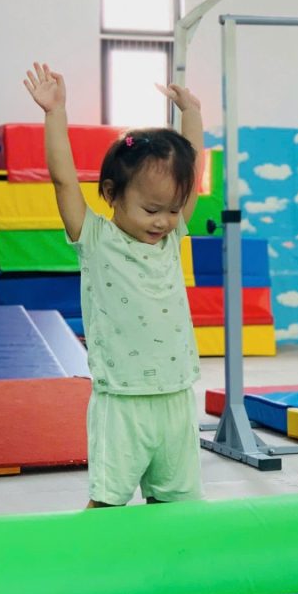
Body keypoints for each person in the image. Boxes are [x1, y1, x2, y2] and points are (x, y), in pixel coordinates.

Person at [24, 61, 205, 508]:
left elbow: (193, 173)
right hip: (121, 400)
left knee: (176, 506)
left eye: (172, 210)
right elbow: (63, 181)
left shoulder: (172, 237)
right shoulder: (95, 238)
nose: (163, 221)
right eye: (151, 210)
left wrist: (192, 115)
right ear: (110, 193)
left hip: (176, 394)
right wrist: (55, 113)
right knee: (108, 504)